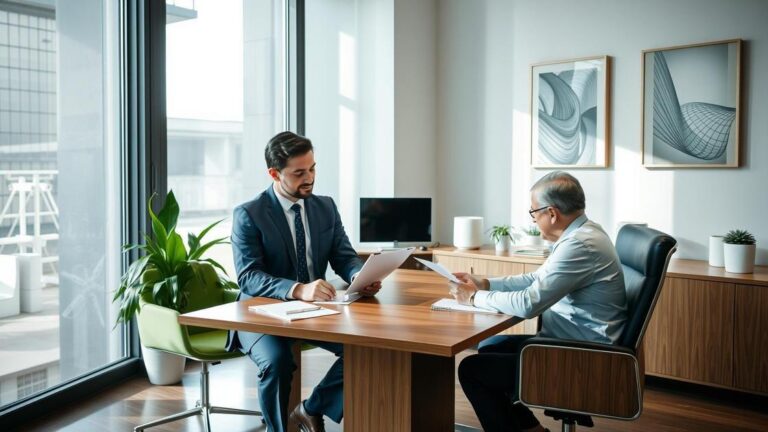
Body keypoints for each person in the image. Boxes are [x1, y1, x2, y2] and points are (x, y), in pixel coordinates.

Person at [226, 131, 381, 432]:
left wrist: (358, 277)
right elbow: (248, 276)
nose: (309, 177)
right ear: (274, 173)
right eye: (299, 173)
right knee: (277, 362)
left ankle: (311, 409)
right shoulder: (249, 214)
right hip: (260, 312)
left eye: (312, 168)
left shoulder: (325, 207)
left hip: (315, 312)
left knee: (365, 349)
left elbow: (344, 256)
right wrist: (297, 289)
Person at [452, 171, 627, 432]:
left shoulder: (579, 245)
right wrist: (486, 283)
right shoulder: (582, 234)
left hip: (582, 359)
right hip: (570, 341)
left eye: (533, 213)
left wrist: (475, 297)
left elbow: (529, 304)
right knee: (491, 346)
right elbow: (537, 279)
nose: (533, 220)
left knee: (472, 370)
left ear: (552, 213)